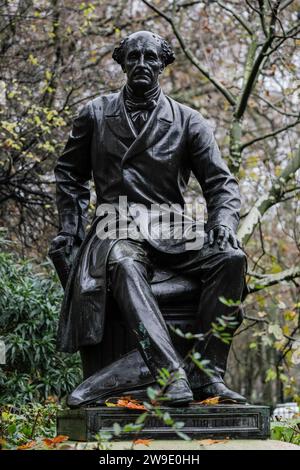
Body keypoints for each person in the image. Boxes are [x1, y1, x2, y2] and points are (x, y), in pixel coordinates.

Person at [50, 31, 247, 406]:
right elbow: (68, 174)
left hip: (171, 226)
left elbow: (221, 182)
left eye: (150, 57)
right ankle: (171, 374)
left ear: (163, 64)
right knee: (124, 264)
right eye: (134, 57)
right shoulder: (95, 113)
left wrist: (224, 223)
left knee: (232, 258)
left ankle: (206, 374)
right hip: (115, 223)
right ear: (123, 63)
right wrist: (71, 228)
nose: (142, 63)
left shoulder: (189, 120)